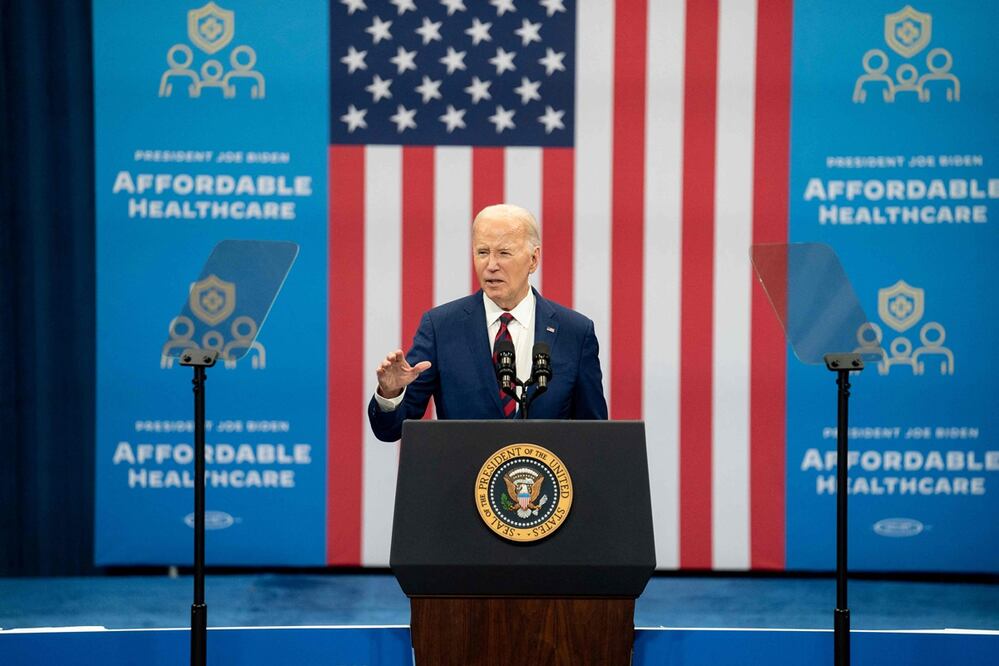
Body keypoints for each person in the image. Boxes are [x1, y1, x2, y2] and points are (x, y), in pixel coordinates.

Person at [368, 203, 608, 442]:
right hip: (465, 478)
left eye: (504, 253)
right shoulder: (441, 327)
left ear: (533, 259)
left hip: (546, 478)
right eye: (483, 252)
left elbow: (595, 436)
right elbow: (391, 430)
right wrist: (391, 393)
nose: (491, 265)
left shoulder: (575, 333)